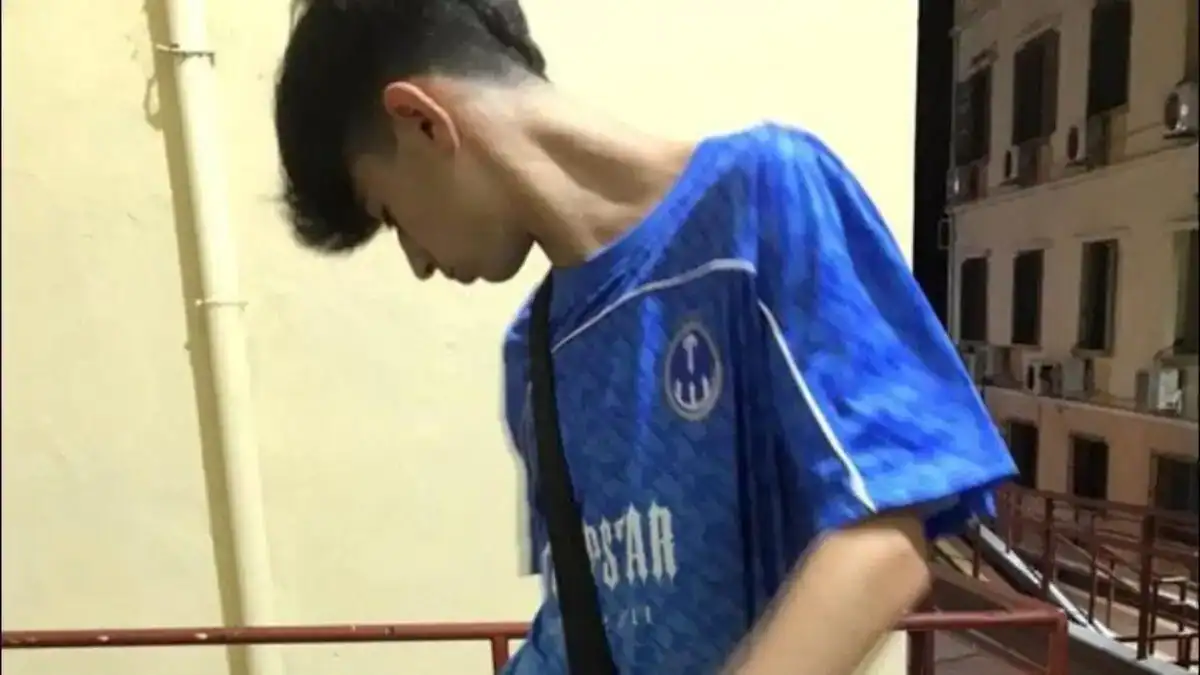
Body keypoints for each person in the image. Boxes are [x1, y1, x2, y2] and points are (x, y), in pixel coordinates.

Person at [273, 1, 1017, 673]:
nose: (417, 262)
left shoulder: (761, 200)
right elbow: (588, 623)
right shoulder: (533, 353)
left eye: (390, 217)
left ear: (422, 121)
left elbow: (885, 540)